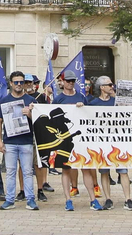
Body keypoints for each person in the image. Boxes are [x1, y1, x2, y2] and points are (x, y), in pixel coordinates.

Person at [0, 73, 40, 211]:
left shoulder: (31, 100)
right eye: (16, 82)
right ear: (11, 84)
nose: (19, 85)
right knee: (10, 172)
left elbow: (39, 122)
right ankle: (9, 200)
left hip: (26, 141)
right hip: (9, 142)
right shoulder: (4, 100)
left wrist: (30, 114)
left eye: (21, 82)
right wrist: (0, 142)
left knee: (27, 171)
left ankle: (30, 199)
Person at [84, 76, 121, 210]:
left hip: (118, 141)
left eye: (112, 84)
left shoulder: (117, 101)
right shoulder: (93, 103)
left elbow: (131, 109)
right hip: (101, 143)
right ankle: (108, 198)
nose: (112, 87)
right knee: (104, 172)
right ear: (102, 88)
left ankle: (128, 199)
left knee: (122, 171)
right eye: (110, 85)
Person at [51, 73, 87, 210]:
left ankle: (92, 199)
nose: (71, 83)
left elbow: (89, 114)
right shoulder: (58, 99)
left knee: (86, 168)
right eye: (68, 81)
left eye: (73, 81)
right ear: (62, 82)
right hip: (64, 140)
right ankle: (68, 199)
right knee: (66, 169)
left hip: (80, 139)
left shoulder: (81, 97)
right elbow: (51, 116)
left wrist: (82, 106)